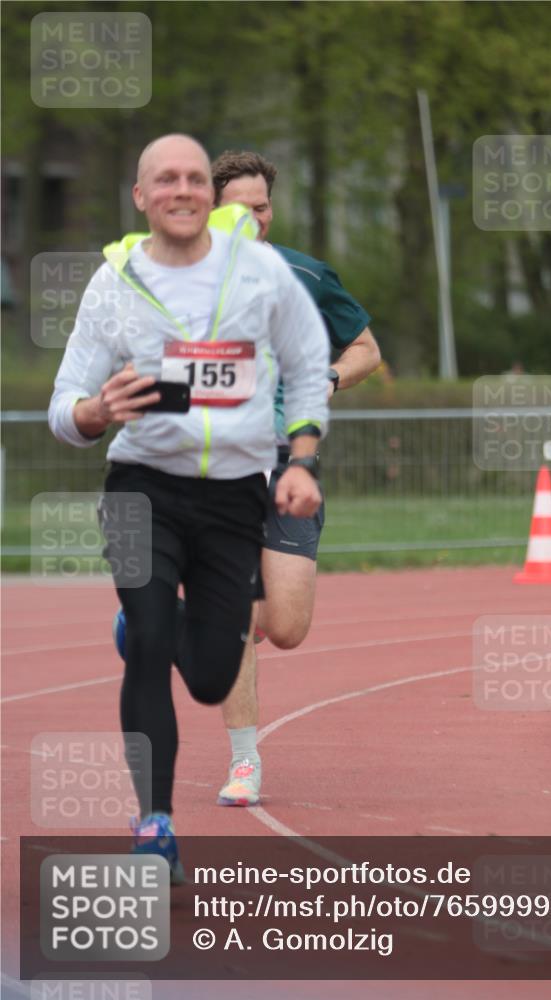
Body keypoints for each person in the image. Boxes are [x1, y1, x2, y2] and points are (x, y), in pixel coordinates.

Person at [48, 134, 330, 879]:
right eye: (164, 178)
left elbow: (306, 370)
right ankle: (154, 828)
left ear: (212, 193)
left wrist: (300, 460)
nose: (182, 189)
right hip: (142, 487)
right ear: (140, 197)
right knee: (146, 642)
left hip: (236, 493)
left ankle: (163, 624)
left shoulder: (258, 272)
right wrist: (94, 412)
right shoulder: (114, 282)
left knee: (209, 676)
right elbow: (63, 404)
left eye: (195, 178)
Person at [210, 150, 381, 806]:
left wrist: (329, 377)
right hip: (218, 467)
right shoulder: (185, 281)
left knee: (284, 626)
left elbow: (366, 348)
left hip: (290, 467)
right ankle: (244, 761)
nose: (252, 217)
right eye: (239, 207)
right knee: (230, 614)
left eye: (262, 206)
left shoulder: (307, 275)